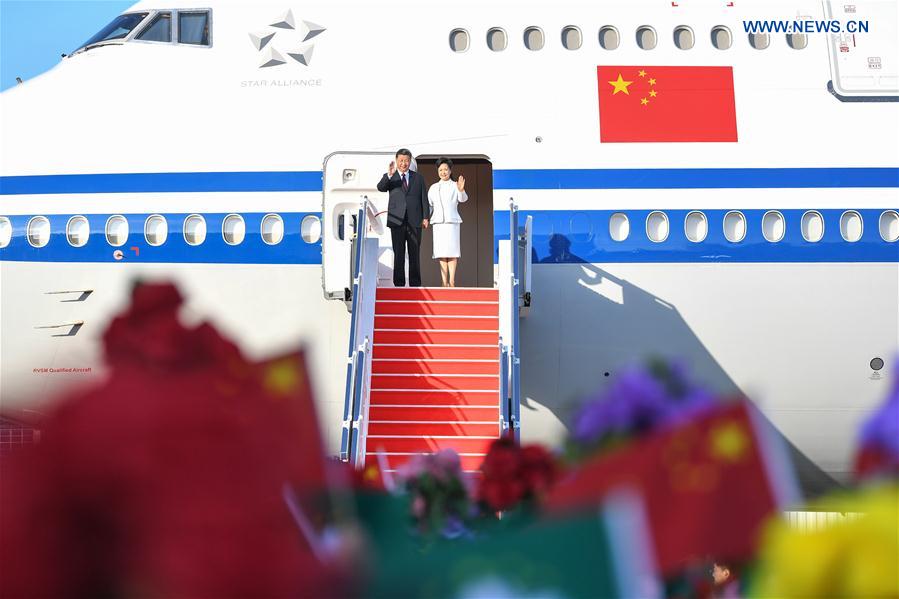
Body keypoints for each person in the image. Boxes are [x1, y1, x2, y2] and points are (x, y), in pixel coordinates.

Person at [377, 149, 429, 287]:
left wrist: (425, 217)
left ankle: (415, 283)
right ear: (396, 160)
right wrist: (389, 174)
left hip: (415, 220)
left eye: (406, 161)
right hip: (397, 221)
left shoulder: (418, 178)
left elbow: (424, 198)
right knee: (398, 253)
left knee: (414, 254)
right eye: (401, 160)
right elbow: (380, 187)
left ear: (410, 161)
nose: (403, 163)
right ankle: (399, 283)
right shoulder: (391, 176)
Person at [427, 157, 467, 287]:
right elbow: (429, 206)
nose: (443, 172)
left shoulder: (455, 185)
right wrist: (425, 218)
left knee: (453, 253)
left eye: (445, 169)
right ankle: (444, 282)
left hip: (452, 222)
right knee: (442, 254)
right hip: (438, 223)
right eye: (440, 170)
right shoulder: (433, 187)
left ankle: (452, 281)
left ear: (450, 171)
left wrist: (461, 190)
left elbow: (463, 199)